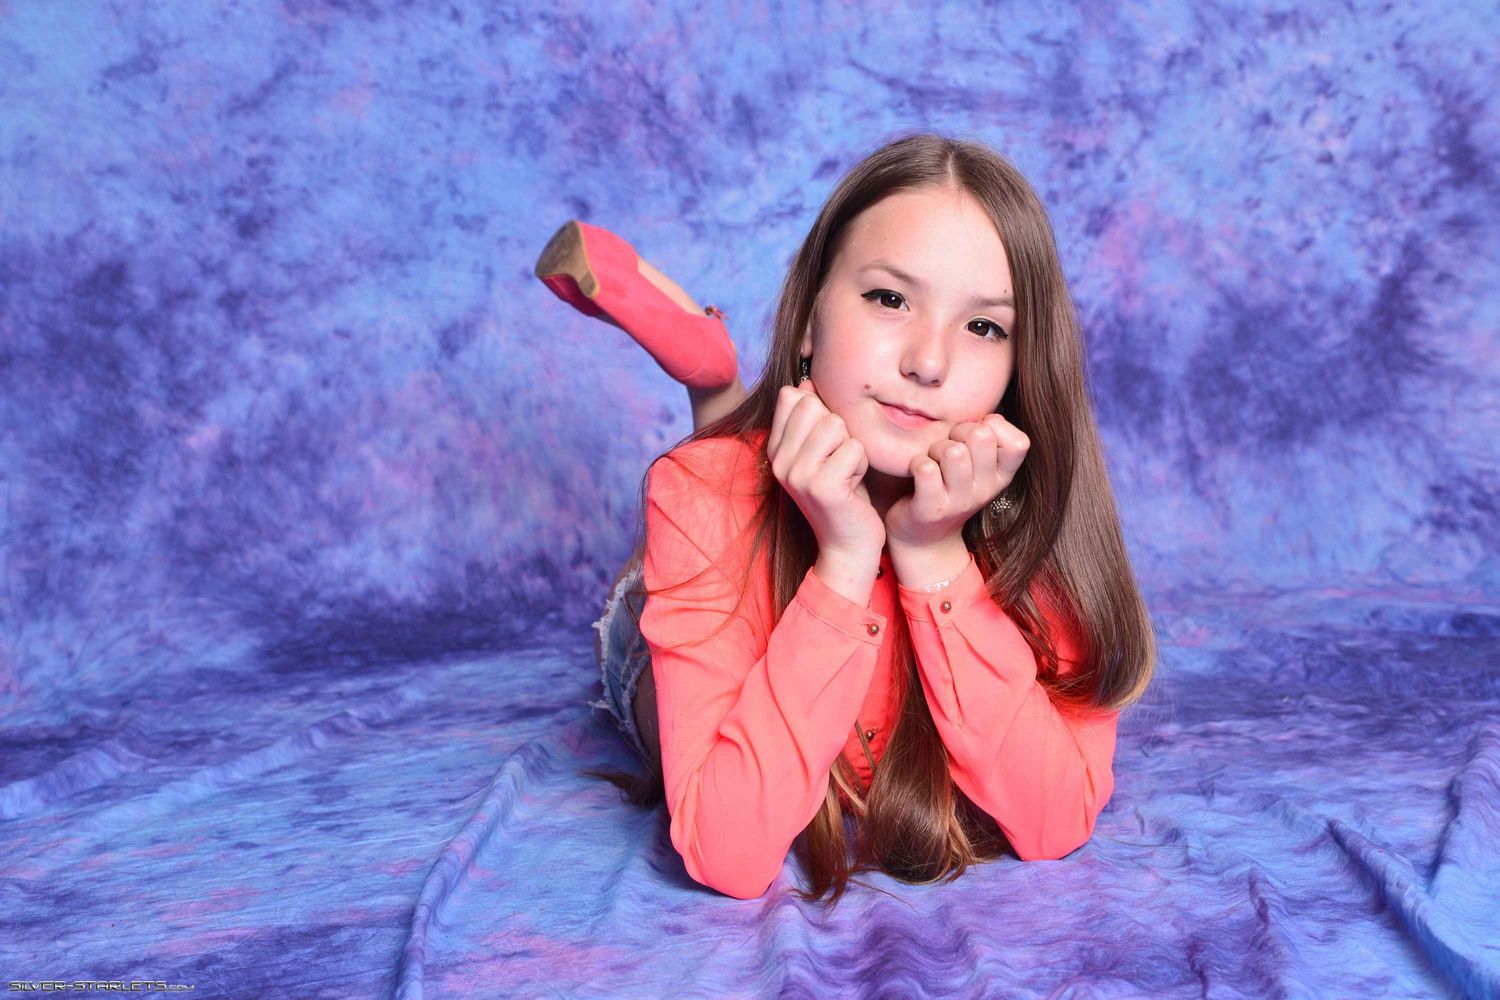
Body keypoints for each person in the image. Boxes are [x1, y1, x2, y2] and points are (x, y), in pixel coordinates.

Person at [537, 132, 1156, 904]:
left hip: (779, 512)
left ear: (1018, 369)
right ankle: (717, 388)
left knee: (743, 473)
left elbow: (1055, 819)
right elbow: (728, 852)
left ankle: (718, 383)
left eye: (984, 327)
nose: (928, 362)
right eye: (890, 298)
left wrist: (933, 556)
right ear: (808, 319)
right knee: (731, 485)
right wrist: (844, 561)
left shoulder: (1039, 508)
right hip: (686, 590)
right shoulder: (697, 494)